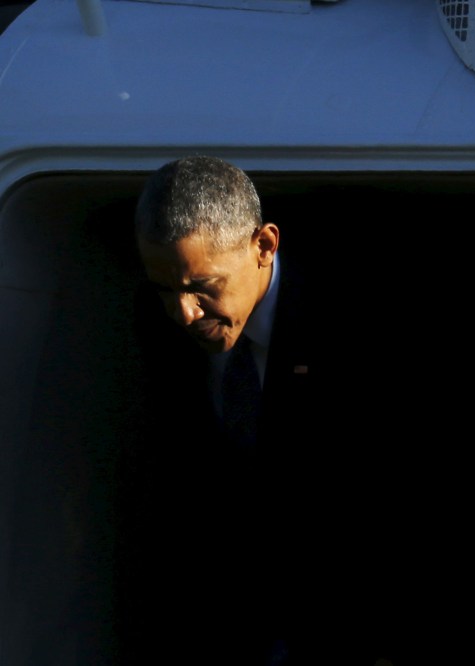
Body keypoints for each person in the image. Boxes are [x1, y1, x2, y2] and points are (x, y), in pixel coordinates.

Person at [127, 155, 324, 665]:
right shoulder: (156, 323)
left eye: (202, 288)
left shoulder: (348, 326)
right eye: (165, 289)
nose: (183, 313)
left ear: (263, 246)